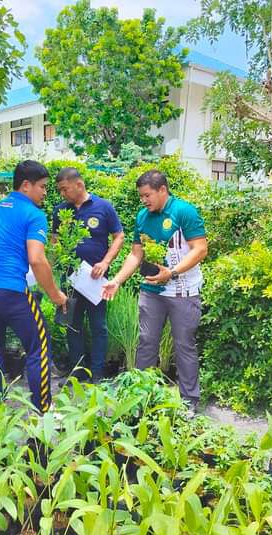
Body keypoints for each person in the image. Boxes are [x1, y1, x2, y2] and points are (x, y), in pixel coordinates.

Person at [102, 169, 208, 415]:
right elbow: (135, 254)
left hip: (183, 291)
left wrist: (172, 272)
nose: (144, 200)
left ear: (162, 190)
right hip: (151, 290)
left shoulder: (183, 211)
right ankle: (140, 398)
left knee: (184, 346)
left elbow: (200, 249)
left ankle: (189, 402)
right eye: (141, 196)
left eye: (147, 195)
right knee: (146, 343)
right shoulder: (142, 216)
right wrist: (116, 281)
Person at [0, 160, 67, 413]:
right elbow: (37, 259)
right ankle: (43, 410)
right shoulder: (34, 214)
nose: (45, 192)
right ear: (26, 185)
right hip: (9, 288)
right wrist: (55, 295)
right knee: (39, 347)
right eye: (42, 186)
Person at [52, 167, 124, 382]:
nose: (62, 194)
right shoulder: (60, 211)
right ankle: (77, 373)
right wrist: (58, 259)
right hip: (70, 280)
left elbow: (119, 236)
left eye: (64, 189)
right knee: (72, 326)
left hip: (96, 281)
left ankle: (97, 374)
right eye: (59, 190)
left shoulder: (103, 207)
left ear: (79, 185)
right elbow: (55, 241)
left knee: (98, 327)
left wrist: (105, 262)